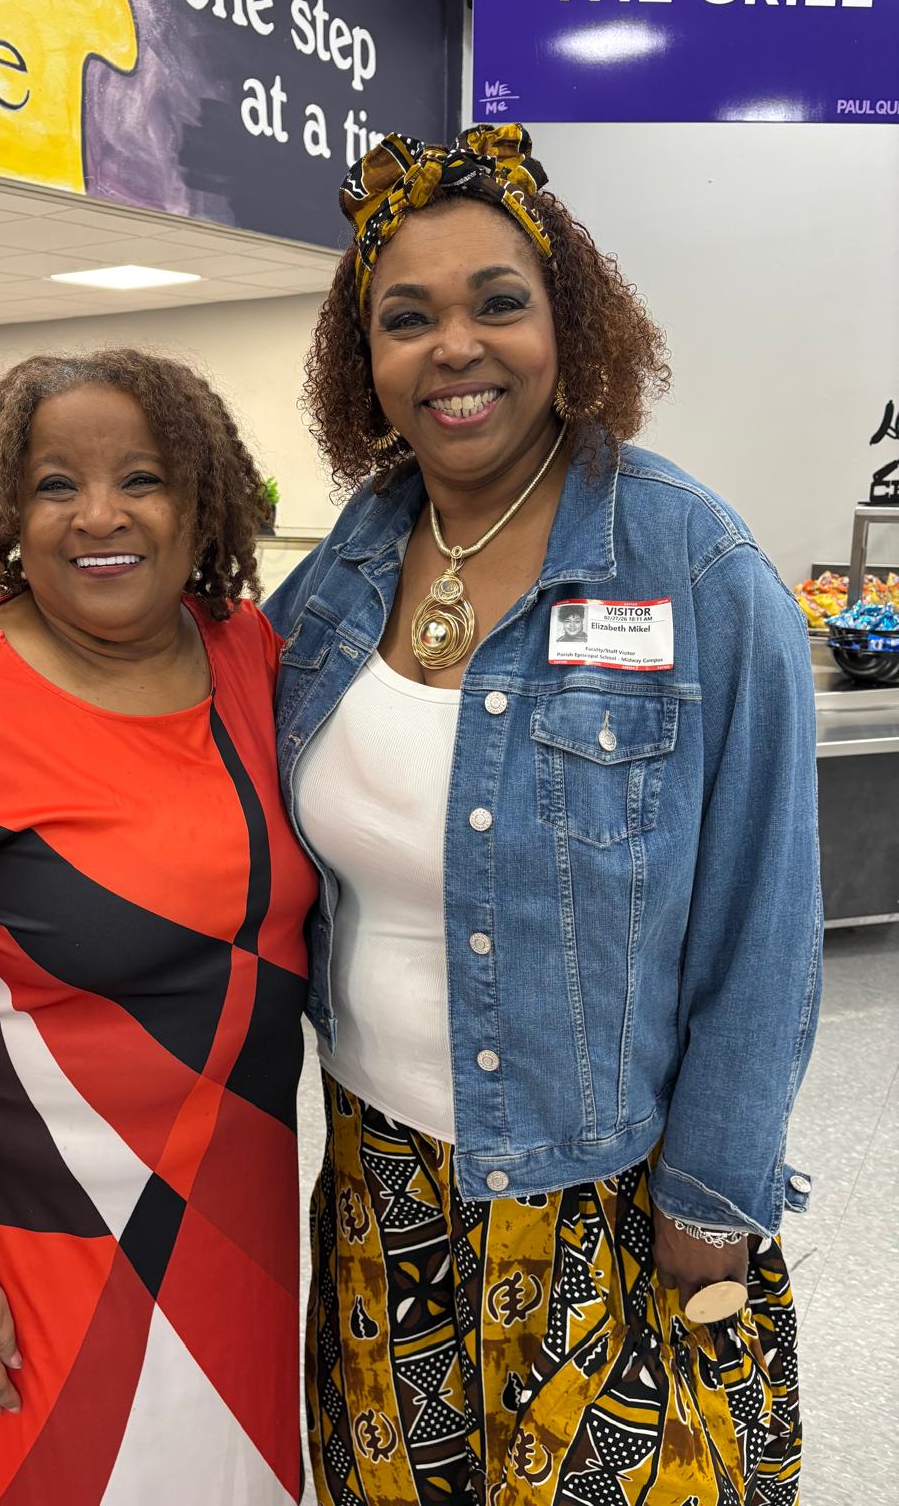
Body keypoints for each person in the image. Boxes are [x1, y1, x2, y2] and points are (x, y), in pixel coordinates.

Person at [265, 125, 819, 1504]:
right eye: (407, 318)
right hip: (380, 1184)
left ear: (566, 325)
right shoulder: (338, 575)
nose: (454, 346)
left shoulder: (694, 564)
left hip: (606, 1198)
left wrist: (714, 1203)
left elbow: (765, 924)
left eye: (497, 303)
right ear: (365, 361)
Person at [0, 349, 317, 1504]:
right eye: (53, 484)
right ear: (3, 514)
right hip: (39, 1249)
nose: (98, 515)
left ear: (201, 501)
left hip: (238, 1217)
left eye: (142, 477)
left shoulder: (251, 656)